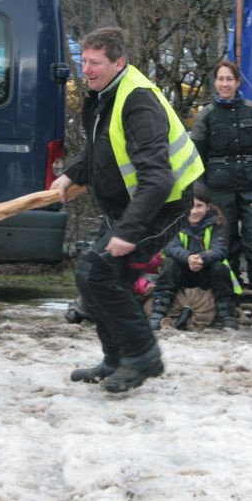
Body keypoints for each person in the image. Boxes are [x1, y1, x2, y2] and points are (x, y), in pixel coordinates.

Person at [51, 26, 204, 393]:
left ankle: (143, 356)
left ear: (119, 62)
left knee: (98, 273)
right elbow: (101, 149)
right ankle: (117, 358)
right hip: (131, 207)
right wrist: (71, 175)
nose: (87, 70)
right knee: (97, 278)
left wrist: (127, 232)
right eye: (84, 61)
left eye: (95, 63)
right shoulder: (104, 94)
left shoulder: (139, 103)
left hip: (162, 207)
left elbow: (158, 179)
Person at [190, 60, 252, 325]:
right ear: (215, 83)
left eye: (229, 79)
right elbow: (197, 158)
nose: (225, 84)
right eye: (220, 79)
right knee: (225, 248)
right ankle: (229, 303)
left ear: (238, 82)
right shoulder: (206, 116)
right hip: (219, 192)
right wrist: (200, 194)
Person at [149, 182, 242, 331]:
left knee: (219, 267)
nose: (193, 211)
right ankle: (157, 314)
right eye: (189, 206)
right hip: (181, 273)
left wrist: (201, 259)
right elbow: (170, 247)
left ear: (208, 206)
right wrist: (188, 258)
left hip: (206, 273)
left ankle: (227, 315)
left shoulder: (218, 222)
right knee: (169, 263)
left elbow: (220, 249)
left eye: (199, 206)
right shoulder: (172, 222)